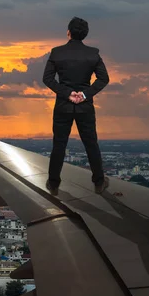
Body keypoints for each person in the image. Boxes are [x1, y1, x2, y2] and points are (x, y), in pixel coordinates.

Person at [43, 17, 110, 194]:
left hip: (63, 106)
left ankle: (54, 183)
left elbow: (47, 79)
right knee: (91, 144)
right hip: (85, 107)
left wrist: (67, 93)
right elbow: (104, 79)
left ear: (68, 32)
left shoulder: (56, 52)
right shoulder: (93, 54)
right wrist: (84, 94)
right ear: (85, 34)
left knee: (59, 145)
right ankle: (98, 182)